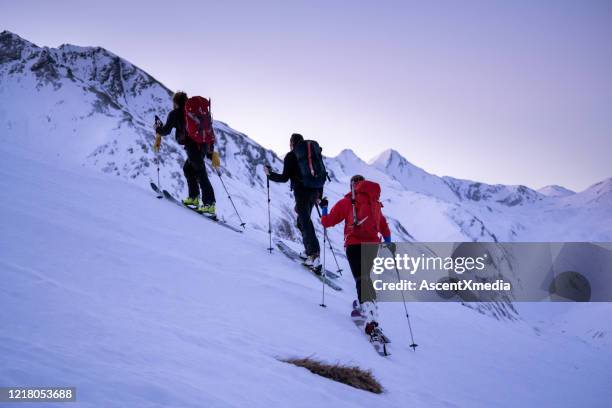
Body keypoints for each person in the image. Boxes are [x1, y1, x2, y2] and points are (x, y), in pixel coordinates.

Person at [319, 175, 391, 335]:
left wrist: (323, 208)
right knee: (367, 280)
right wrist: (389, 243)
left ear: (352, 186)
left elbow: (327, 222)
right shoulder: (375, 204)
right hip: (373, 247)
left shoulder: (347, 202)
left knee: (361, 280)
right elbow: (384, 228)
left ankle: (369, 319)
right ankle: (369, 310)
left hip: (353, 245)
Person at [154, 92, 218, 215]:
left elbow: (165, 131)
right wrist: (211, 151)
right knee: (188, 169)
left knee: (200, 172)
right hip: (203, 145)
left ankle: (209, 204)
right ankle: (193, 198)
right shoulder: (195, 113)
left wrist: (157, 129)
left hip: (192, 146)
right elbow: (209, 131)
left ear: (175, 102)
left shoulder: (175, 113)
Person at [264, 133, 322, 269]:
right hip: (314, 192)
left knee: (305, 222)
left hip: (301, 193)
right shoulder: (313, 155)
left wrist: (269, 174)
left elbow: (284, 178)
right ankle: (309, 252)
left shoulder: (291, 156)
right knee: (302, 221)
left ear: (291, 143)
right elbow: (320, 175)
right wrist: (319, 195)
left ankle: (314, 256)